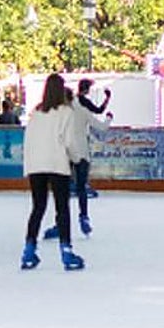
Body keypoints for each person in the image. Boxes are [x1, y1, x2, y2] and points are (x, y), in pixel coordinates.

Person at [20, 74, 85, 271]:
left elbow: (28, 140)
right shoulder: (66, 112)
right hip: (57, 163)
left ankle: (29, 250)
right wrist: (76, 158)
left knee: (38, 207)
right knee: (62, 208)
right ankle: (66, 251)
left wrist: (29, 164)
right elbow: (70, 141)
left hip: (36, 165)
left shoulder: (36, 113)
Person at [45, 88, 112, 240]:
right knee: (81, 187)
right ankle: (84, 216)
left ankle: (59, 223)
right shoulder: (82, 111)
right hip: (82, 154)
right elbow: (102, 127)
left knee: (62, 191)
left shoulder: (58, 114)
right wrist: (109, 118)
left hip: (65, 155)